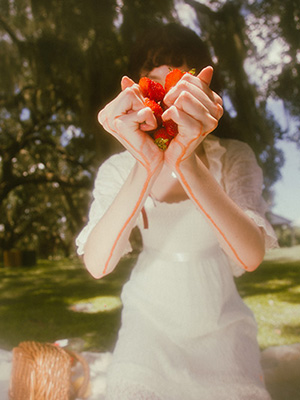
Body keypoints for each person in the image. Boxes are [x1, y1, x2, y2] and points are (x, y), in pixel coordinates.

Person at [76, 23, 277, 400]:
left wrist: (187, 160)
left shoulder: (234, 157)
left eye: (180, 81)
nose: (168, 96)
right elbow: (98, 264)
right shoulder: (118, 170)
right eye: (155, 81)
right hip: (148, 323)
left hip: (221, 321)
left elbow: (249, 256)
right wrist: (145, 164)